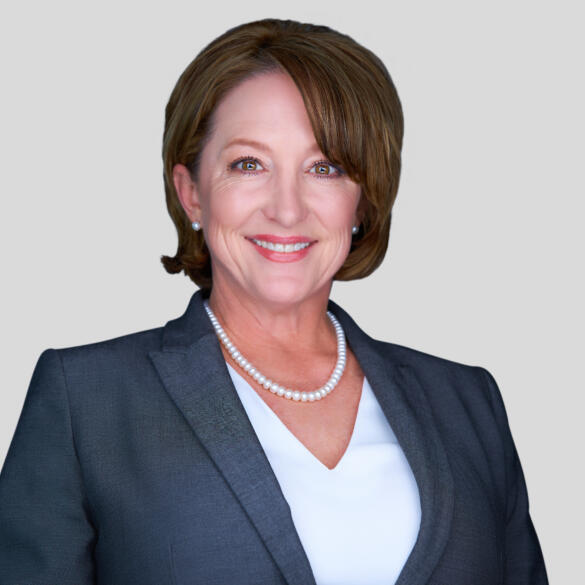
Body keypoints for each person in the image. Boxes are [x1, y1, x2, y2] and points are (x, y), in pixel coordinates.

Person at [0, 18, 548, 585]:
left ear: (363, 202)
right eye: (249, 164)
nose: (287, 209)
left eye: (325, 168)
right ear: (191, 192)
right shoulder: (86, 402)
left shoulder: (469, 404)